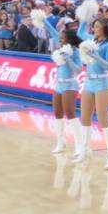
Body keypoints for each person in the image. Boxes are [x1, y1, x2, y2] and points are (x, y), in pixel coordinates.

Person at [76, 7, 108, 166]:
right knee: (84, 116)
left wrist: (95, 56)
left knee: (102, 117)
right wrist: (85, 16)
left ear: (105, 29)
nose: (94, 29)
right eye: (94, 26)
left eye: (98, 26)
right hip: (89, 82)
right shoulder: (91, 40)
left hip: (103, 82)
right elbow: (80, 32)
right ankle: (84, 149)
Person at [42, 15, 81, 154]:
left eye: (62, 37)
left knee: (70, 113)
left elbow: (78, 69)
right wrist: (43, 20)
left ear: (69, 39)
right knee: (57, 113)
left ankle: (79, 144)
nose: (60, 39)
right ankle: (61, 142)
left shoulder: (75, 51)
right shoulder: (61, 47)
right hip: (59, 85)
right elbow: (53, 32)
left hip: (70, 84)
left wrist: (68, 59)